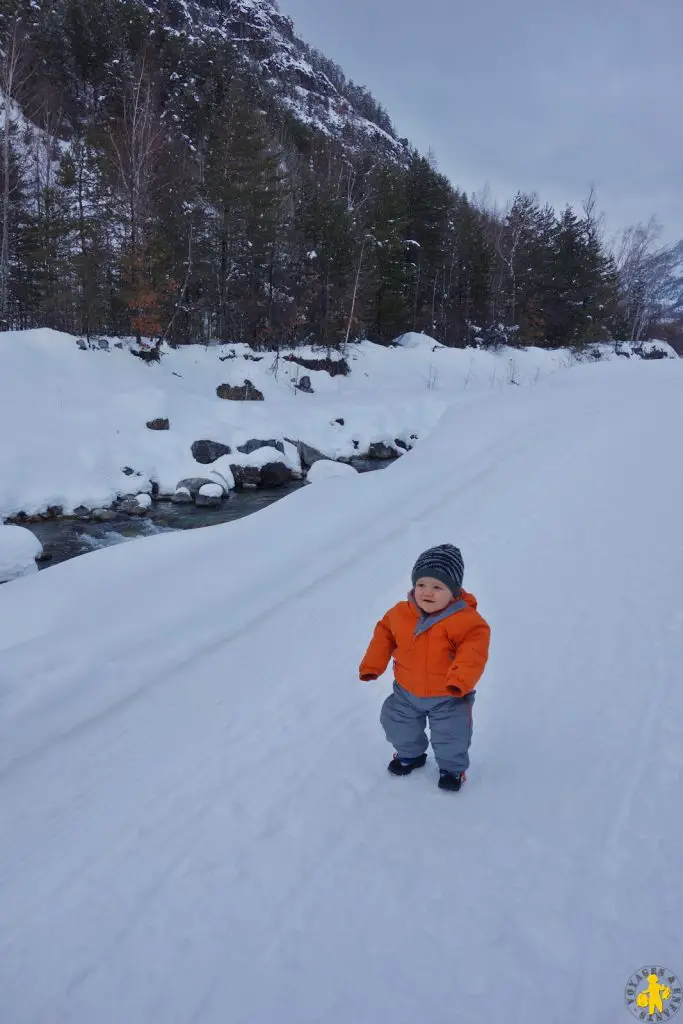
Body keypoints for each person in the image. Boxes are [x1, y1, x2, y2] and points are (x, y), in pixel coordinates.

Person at [359, 544, 491, 791]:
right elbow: (384, 634)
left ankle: (452, 769)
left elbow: (473, 653)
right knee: (396, 722)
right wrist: (373, 665)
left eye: (437, 587)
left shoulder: (468, 623)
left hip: (449, 695)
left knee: (452, 735)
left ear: (453, 592)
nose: (427, 592)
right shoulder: (400, 613)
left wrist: (460, 680)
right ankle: (411, 754)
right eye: (421, 585)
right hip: (406, 692)